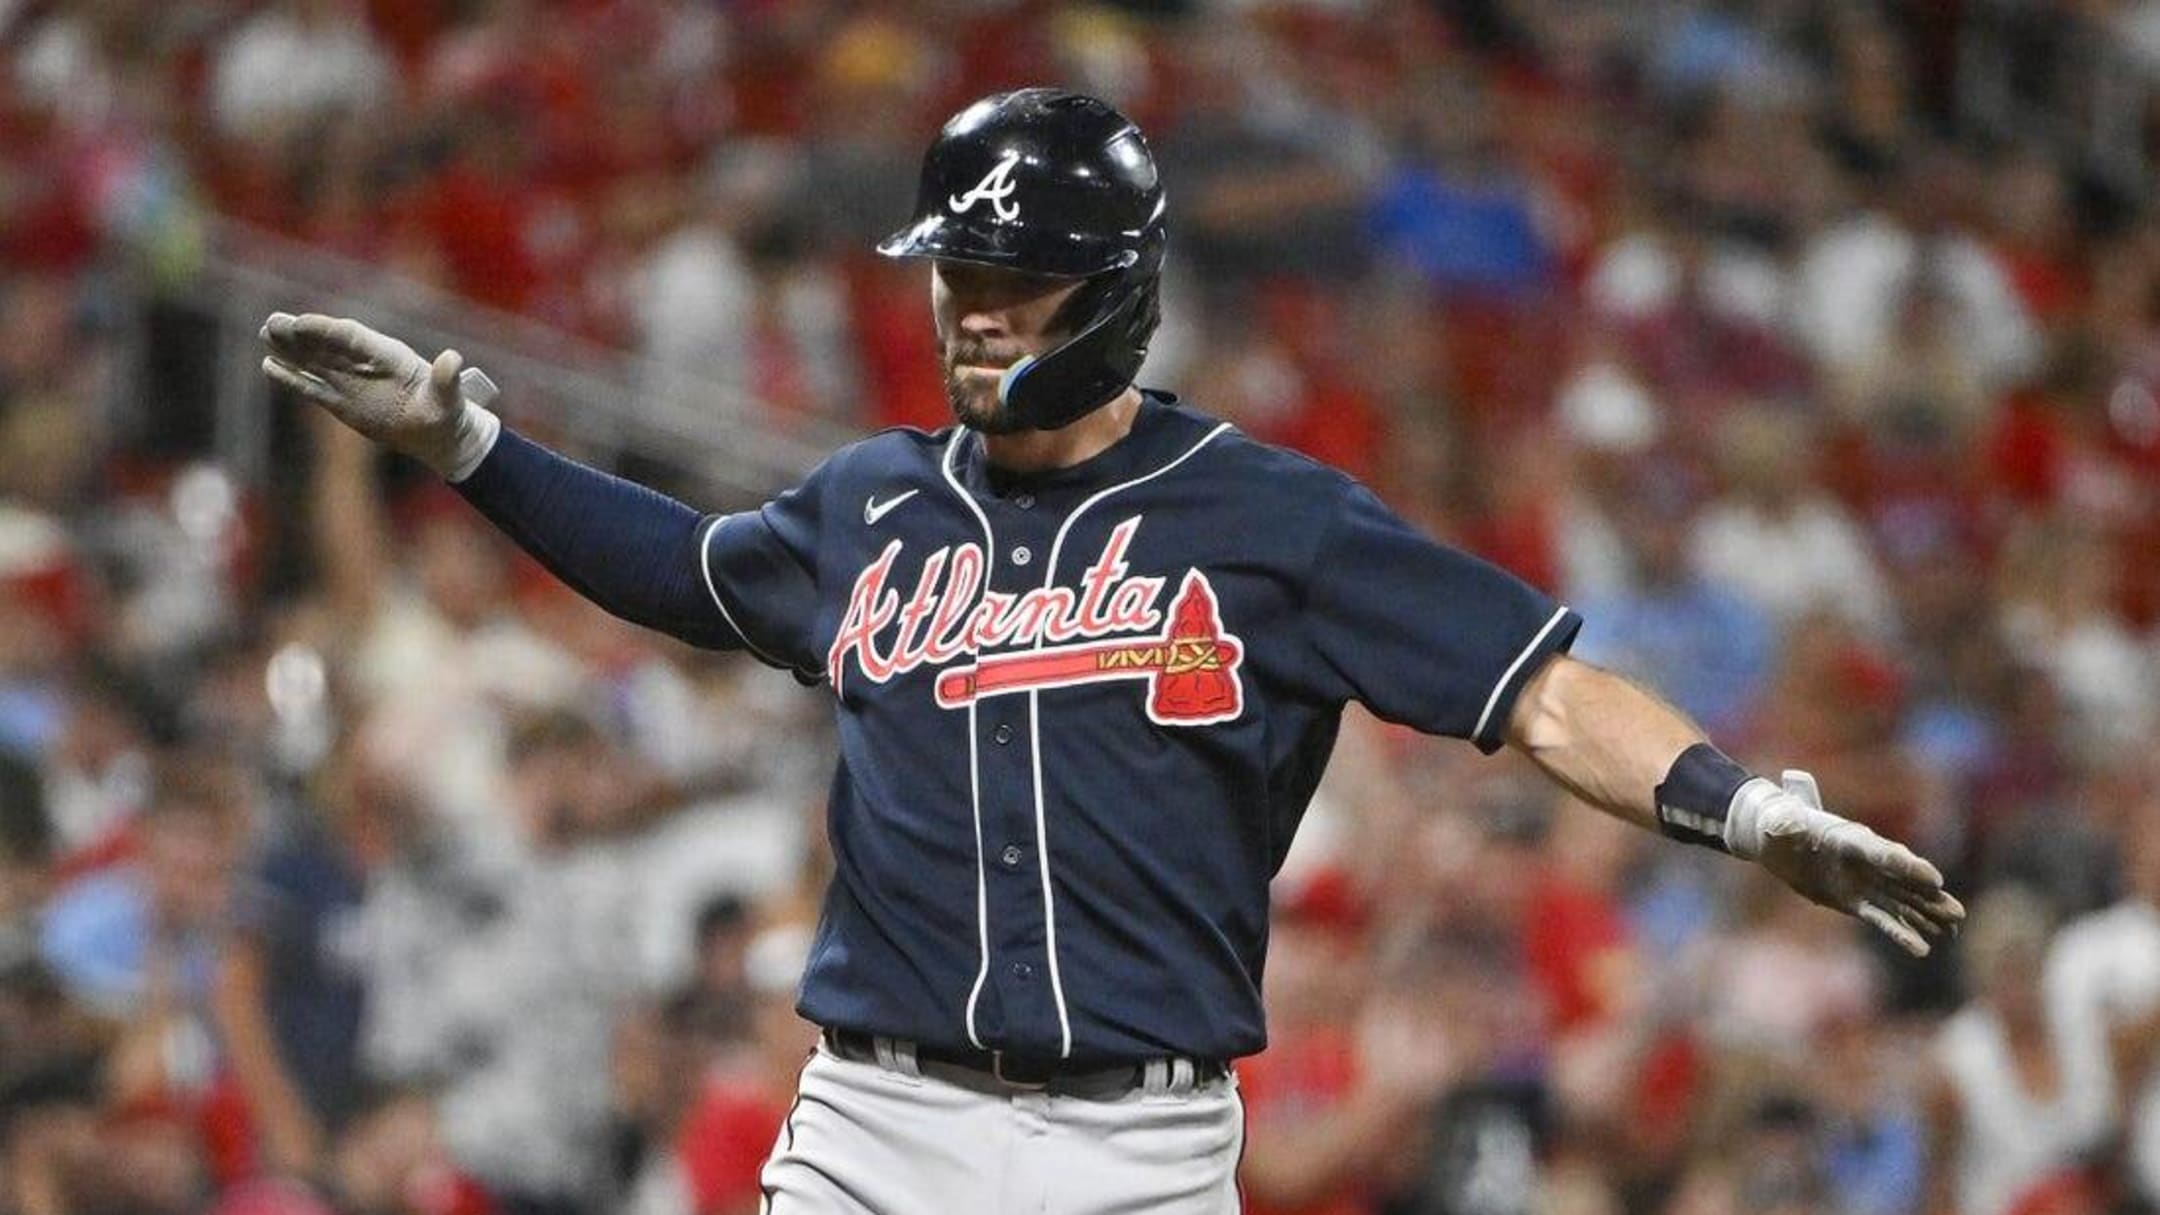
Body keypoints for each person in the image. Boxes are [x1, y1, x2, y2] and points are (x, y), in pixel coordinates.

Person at [256, 88, 1964, 1215]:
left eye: (1018, 278)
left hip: (1139, 1150)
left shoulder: (1273, 519)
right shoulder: (870, 505)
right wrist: (471, 453)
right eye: (956, 273)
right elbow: (684, 572)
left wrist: (1738, 809)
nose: (970, 309)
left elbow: (1543, 692)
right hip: (878, 1128)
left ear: (1123, 290)